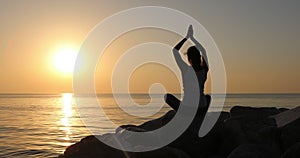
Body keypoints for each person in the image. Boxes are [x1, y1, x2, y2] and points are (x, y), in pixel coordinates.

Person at [164, 25, 210, 116]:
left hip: (187, 109)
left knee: (167, 96)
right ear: (200, 57)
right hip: (202, 109)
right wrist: (193, 38)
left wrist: (187, 37)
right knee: (208, 97)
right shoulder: (205, 69)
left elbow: (175, 50)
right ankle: (200, 116)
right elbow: (204, 51)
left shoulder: (185, 69)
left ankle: (183, 115)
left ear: (189, 58)